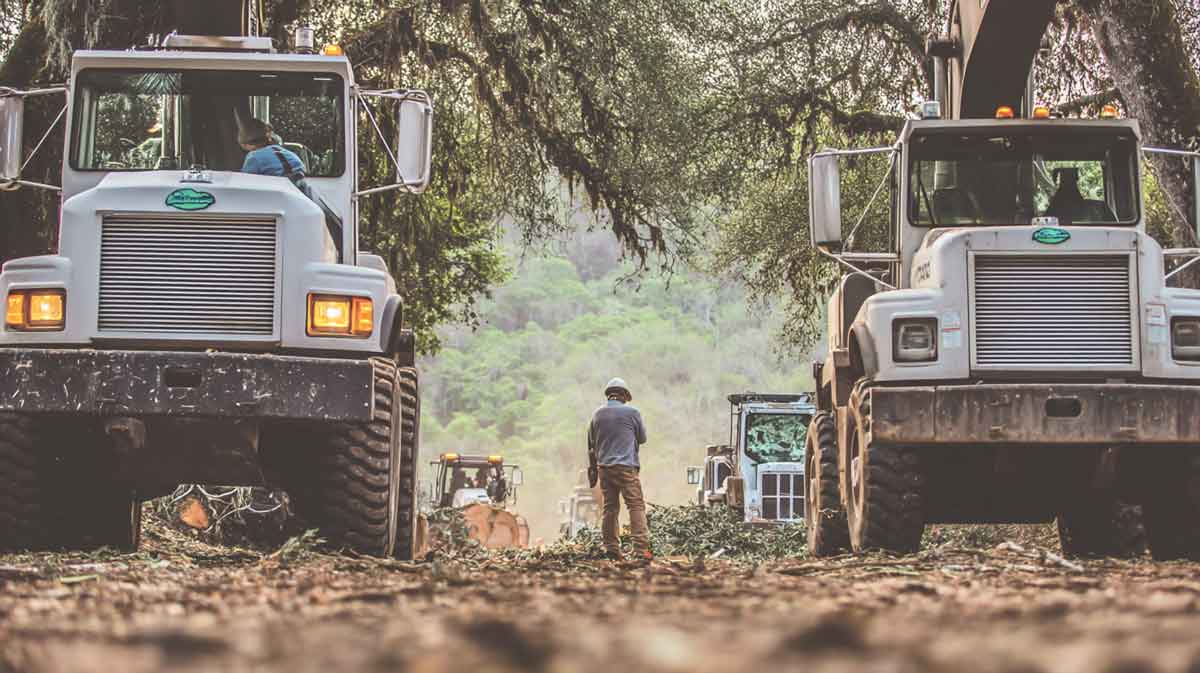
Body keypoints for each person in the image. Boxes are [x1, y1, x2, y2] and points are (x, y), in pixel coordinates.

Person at [587, 377, 651, 564]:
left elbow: (591, 444)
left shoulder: (597, 415)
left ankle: (611, 550)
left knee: (610, 508)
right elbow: (642, 438)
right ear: (624, 396)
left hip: (605, 469)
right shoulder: (632, 413)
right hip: (626, 467)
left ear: (609, 395)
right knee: (636, 505)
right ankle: (640, 550)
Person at [238, 118, 305, 177]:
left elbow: (245, 182)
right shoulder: (288, 153)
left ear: (246, 144)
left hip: (277, 189)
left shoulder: (253, 158)